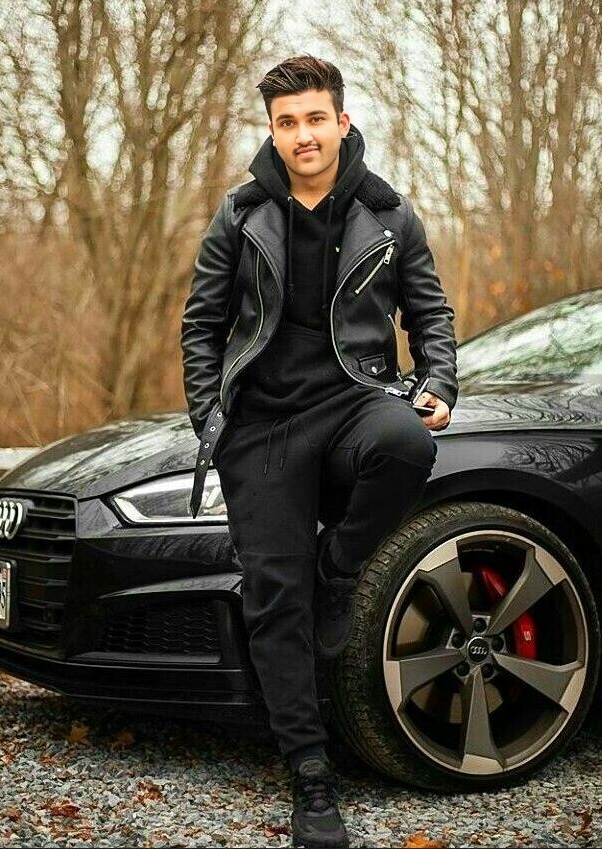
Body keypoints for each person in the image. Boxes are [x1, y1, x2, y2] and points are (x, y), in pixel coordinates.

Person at [181, 54, 458, 849]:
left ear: (342, 120)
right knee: (275, 596)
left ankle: (337, 573)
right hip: (263, 426)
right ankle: (309, 772)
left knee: (405, 441)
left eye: (314, 118)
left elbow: (430, 312)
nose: (302, 134)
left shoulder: (389, 213)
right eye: (286, 122)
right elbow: (201, 324)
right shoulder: (240, 215)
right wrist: (212, 420)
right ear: (272, 131)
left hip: (352, 402)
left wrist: (438, 379)